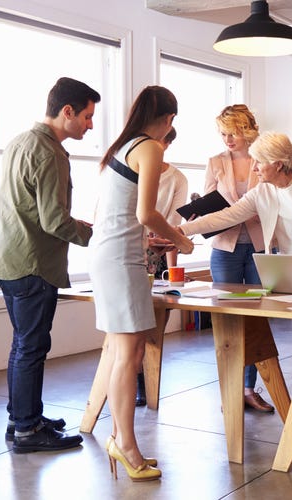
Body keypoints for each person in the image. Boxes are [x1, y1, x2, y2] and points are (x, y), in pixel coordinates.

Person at [178, 131, 292, 418]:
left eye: (259, 162)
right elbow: (229, 215)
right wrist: (181, 230)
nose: (254, 168)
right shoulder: (263, 190)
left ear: (278, 163)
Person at [0, 77, 98, 453]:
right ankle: (29, 432)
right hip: (31, 263)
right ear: (68, 112)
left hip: (5, 257)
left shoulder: (20, 141)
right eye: (87, 116)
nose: (90, 125)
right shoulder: (49, 153)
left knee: (22, 345)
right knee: (32, 346)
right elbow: (54, 221)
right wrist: (95, 233)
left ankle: (22, 419)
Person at [90, 86, 194, 481]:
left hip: (112, 252)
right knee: (127, 354)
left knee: (126, 353)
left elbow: (122, 212)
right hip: (120, 257)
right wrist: (181, 240)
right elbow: (146, 212)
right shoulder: (149, 147)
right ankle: (125, 445)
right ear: (168, 120)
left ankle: (121, 438)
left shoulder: (123, 145)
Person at [204, 104, 272, 413]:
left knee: (255, 318)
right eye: (222, 133)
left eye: (232, 133)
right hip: (224, 248)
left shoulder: (265, 160)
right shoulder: (215, 162)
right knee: (228, 320)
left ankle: (248, 388)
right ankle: (229, 389)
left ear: (246, 131)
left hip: (259, 247)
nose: (227, 139)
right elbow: (207, 208)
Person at [137, 126, 188, 407]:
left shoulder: (177, 179)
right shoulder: (133, 169)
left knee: (155, 325)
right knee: (133, 327)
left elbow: (174, 227)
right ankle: (136, 383)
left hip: (158, 256)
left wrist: (173, 276)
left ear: (166, 145)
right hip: (131, 253)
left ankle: (148, 382)